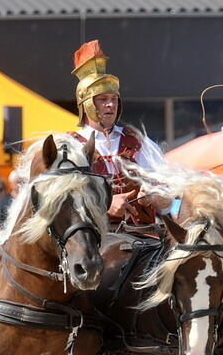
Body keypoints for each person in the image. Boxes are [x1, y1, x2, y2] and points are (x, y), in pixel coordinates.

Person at [68, 39, 165, 224]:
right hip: (93, 241)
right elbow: (64, 202)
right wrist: (106, 204)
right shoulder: (70, 147)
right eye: (102, 99)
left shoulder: (138, 141)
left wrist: (156, 196)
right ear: (87, 104)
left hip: (142, 238)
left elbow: (169, 194)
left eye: (114, 98)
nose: (110, 104)